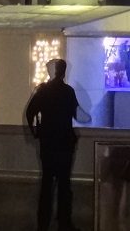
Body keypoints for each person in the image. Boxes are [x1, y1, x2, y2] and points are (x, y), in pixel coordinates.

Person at [25, 57, 89, 231]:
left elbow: (30, 112)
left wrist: (35, 131)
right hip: (65, 143)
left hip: (48, 143)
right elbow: (77, 114)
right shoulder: (68, 91)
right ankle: (64, 222)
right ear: (63, 72)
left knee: (46, 183)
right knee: (64, 184)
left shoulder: (43, 91)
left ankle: (43, 223)